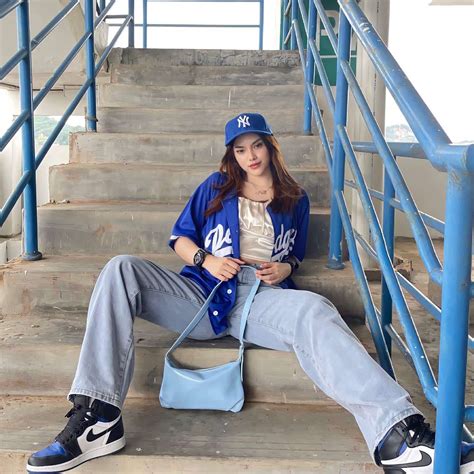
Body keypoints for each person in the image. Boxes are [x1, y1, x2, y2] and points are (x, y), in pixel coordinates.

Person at [27, 113, 473, 473]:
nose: (250, 156)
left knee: (315, 309)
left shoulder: (295, 197)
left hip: (260, 299)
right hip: (202, 293)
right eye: (240, 149)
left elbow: (296, 253)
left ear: (270, 145)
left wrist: (286, 268)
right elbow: (179, 238)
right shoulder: (214, 187)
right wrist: (206, 260)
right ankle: (100, 418)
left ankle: (399, 437)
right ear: (232, 154)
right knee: (120, 268)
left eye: (256, 145)